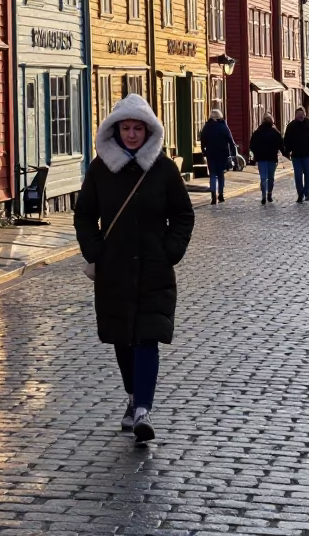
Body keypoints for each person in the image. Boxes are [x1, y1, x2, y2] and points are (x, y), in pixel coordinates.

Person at [74, 94, 195, 444]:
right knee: (122, 339)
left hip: (155, 269)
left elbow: (184, 214)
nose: (130, 135)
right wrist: (95, 249)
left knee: (146, 336)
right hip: (113, 270)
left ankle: (143, 409)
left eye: (137, 128)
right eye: (125, 128)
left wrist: (171, 250)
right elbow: (84, 215)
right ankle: (132, 395)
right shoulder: (100, 169)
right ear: (115, 130)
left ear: (148, 130)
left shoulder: (164, 169)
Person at [199, 106, 237, 204]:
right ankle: (221, 194)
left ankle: (213, 195)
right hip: (222, 154)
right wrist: (233, 153)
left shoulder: (207, 127)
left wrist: (203, 151)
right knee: (220, 175)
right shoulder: (223, 126)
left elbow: (203, 140)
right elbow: (230, 140)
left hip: (211, 154)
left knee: (212, 174)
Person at [283, 106, 309, 202]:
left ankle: (307, 193)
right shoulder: (291, 126)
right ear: (295, 116)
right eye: (299, 115)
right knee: (298, 176)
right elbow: (286, 140)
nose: (301, 117)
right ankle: (300, 194)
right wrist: (287, 151)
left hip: (308, 154)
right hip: (296, 156)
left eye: (302, 115)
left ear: (305, 114)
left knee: (308, 174)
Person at [248, 112, 285, 204]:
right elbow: (281, 145)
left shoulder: (257, 132)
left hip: (261, 158)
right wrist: (286, 154)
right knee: (271, 177)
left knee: (263, 177)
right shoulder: (275, 132)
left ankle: (263, 195)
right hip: (272, 158)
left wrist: (256, 153)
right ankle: (269, 193)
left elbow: (252, 145)